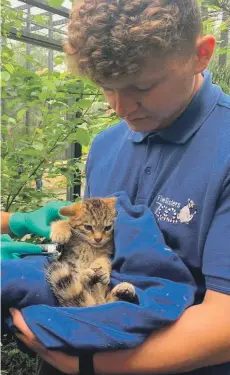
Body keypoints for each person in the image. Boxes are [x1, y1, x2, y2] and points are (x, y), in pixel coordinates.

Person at [2, 0, 230, 374]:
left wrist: (91, 364)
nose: (121, 107)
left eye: (142, 87)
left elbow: (225, 321)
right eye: (106, 88)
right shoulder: (106, 146)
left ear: (201, 55)